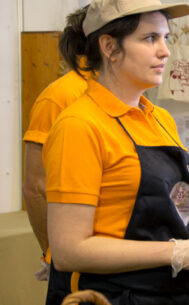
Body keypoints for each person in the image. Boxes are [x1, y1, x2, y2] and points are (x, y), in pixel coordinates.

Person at [42, 1, 189, 304]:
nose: (165, 51)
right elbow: (68, 250)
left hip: (175, 294)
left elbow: (171, 202)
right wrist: (176, 251)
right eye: (150, 38)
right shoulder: (80, 125)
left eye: (166, 38)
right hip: (112, 296)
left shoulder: (160, 120)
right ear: (109, 46)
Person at [22, 6, 93, 281]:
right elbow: (35, 187)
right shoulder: (59, 96)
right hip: (76, 260)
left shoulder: (125, 96)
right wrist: (51, 253)